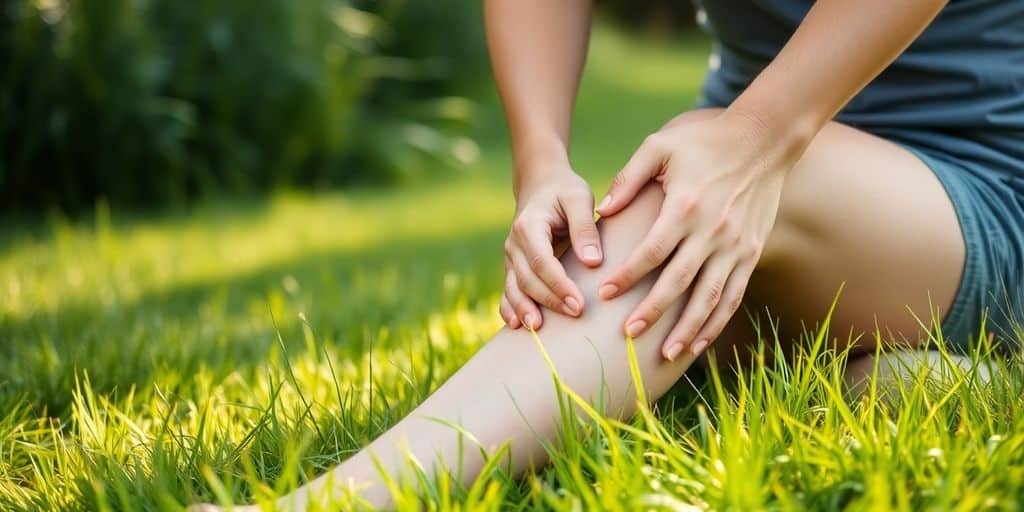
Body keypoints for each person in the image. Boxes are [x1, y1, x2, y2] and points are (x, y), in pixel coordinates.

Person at [194, 0, 1024, 509]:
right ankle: (892, 366)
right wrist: (541, 162)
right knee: (656, 337)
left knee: (681, 201)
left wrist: (757, 140)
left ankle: (347, 502)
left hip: (983, 177)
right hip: (760, 165)